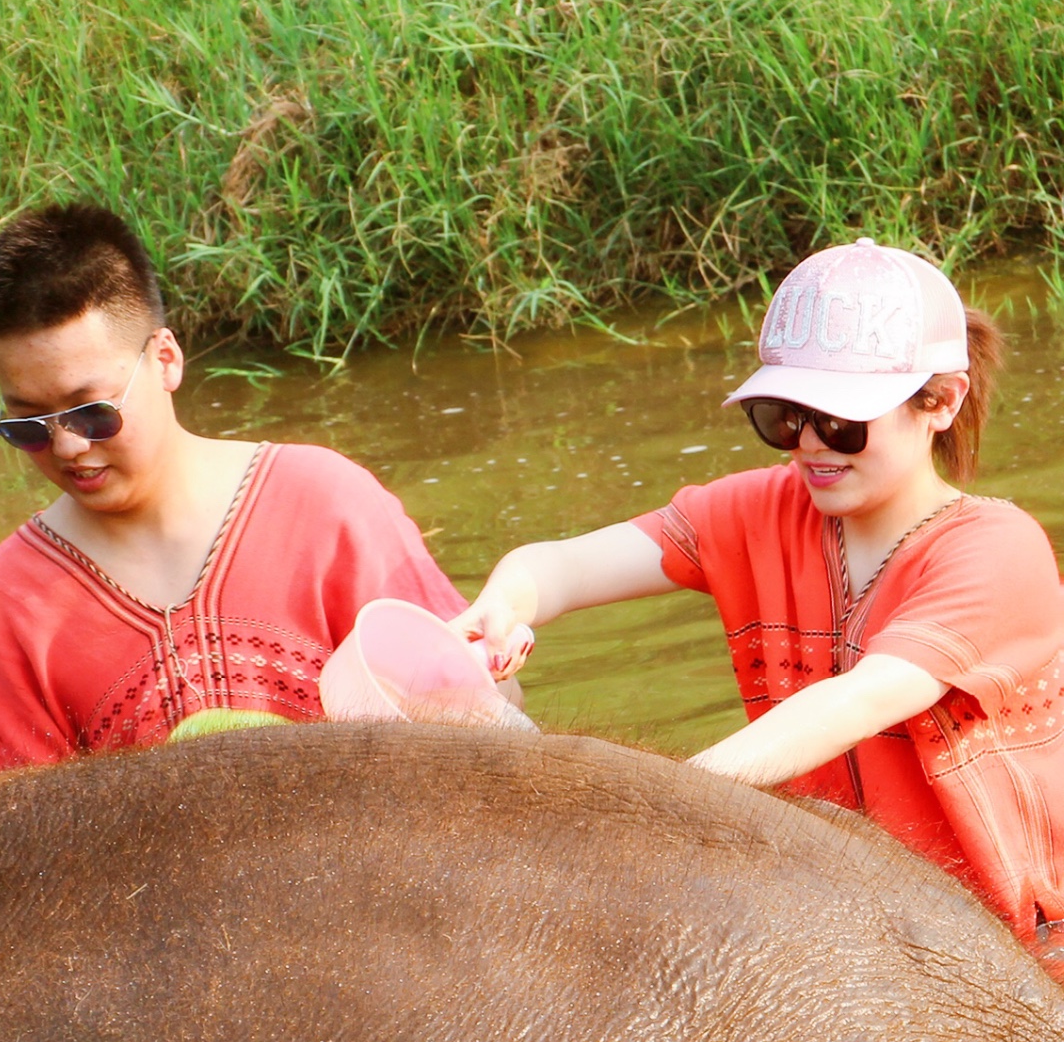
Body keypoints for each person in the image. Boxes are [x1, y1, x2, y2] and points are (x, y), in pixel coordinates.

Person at [452, 238, 1064, 954]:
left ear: (939, 401)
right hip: (846, 915)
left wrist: (656, 806)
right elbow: (558, 567)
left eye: (840, 421)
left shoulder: (996, 548)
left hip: (1012, 943)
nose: (808, 444)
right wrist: (499, 607)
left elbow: (857, 700)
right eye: (783, 415)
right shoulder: (758, 512)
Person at [0, 202, 464, 770]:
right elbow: (12, 838)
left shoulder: (326, 507)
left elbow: (482, 726)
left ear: (165, 360)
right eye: (28, 425)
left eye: (91, 412)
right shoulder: (9, 604)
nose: (69, 446)